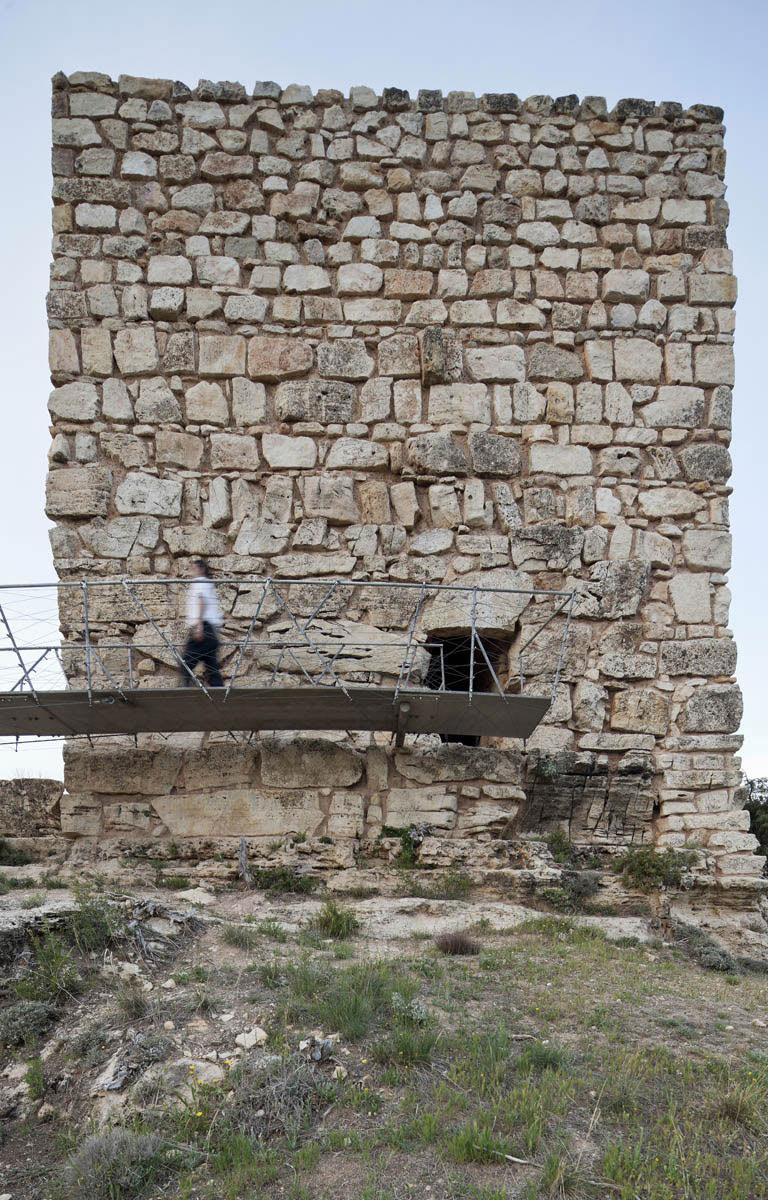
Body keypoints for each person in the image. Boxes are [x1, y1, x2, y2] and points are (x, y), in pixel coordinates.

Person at [180, 559, 224, 688]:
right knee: (211, 666)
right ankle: (220, 691)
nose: (192, 571)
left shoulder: (200, 582)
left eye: (194, 568)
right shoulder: (208, 583)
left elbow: (201, 601)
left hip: (203, 627)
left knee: (186, 661)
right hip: (211, 630)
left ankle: (183, 691)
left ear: (201, 569)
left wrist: (199, 626)